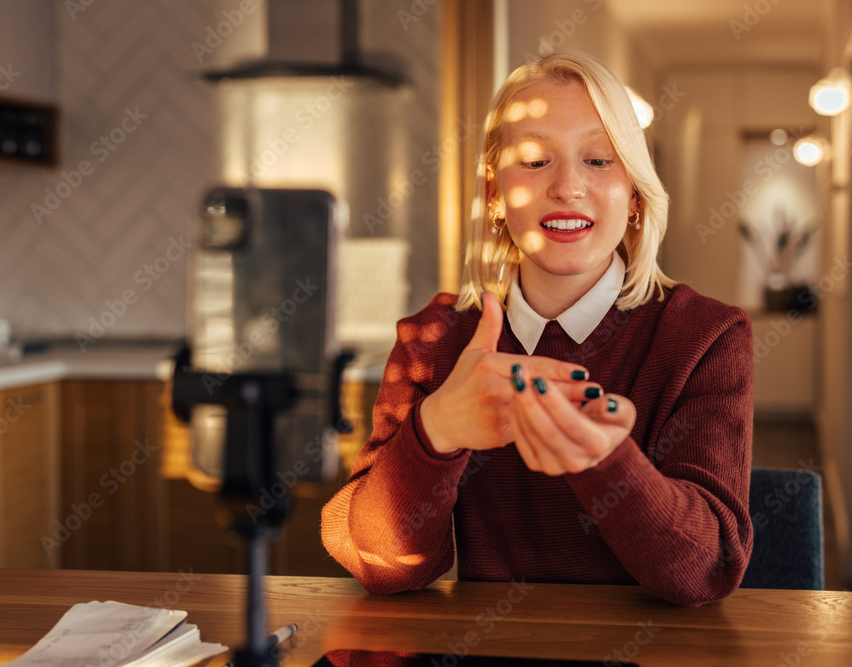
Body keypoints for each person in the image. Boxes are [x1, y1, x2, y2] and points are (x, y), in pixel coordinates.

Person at [320, 51, 754, 607]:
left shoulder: (706, 337)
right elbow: (379, 565)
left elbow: (707, 570)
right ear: (496, 195)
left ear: (636, 195)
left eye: (599, 160)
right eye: (533, 160)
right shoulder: (433, 339)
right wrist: (436, 431)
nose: (567, 186)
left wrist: (605, 462)